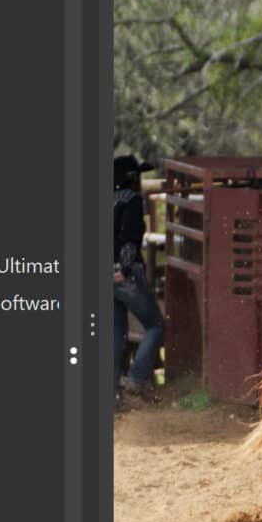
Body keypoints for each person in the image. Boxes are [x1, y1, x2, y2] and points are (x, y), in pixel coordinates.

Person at [111, 155, 163, 402]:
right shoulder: (131, 201)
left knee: (115, 331)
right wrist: (126, 269)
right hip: (123, 273)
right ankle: (137, 379)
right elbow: (130, 239)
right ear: (133, 179)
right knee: (155, 325)